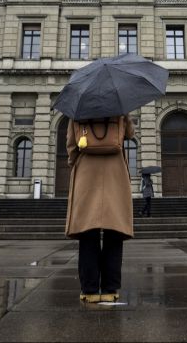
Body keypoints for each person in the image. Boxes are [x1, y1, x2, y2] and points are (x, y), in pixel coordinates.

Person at [65, 113, 135, 303]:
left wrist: (75, 163)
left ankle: (89, 290)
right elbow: (130, 134)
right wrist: (125, 116)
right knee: (114, 232)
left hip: (87, 172)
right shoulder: (119, 109)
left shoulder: (77, 111)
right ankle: (110, 289)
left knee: (88, 233)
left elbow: (71, 147)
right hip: (115, 172)